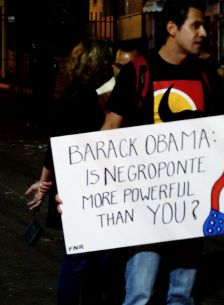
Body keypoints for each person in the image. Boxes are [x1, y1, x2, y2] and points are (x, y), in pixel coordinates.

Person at [100, 0, 224, 304]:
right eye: (196, 25)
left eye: (204, 26)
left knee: (182, 295)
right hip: (146, 204)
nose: (203, 33)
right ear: (172, 28)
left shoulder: (207, 76)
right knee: (140, 293)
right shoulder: (138, 72)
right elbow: (110, 129)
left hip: (190, 201)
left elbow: (218, 135)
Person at [24, 37, 115, 305]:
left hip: (74, 188)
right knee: (85, 262)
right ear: (99, 64)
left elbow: (54, 146)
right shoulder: (89, 100)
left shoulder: (70, 95)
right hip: (89, 190)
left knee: (81, 259)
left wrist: (43, 185)